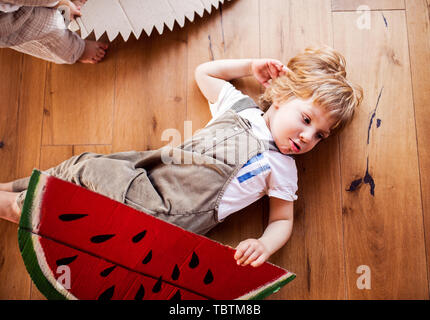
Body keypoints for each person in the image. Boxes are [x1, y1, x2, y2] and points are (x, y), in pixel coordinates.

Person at [0, 46, 363, 268]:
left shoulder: (283, 169)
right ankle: (8, 191)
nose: (307, 136)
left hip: (165, 218)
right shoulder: (240, 106)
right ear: (280, 97)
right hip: (144, 174)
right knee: (78, 166)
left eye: (320, 135)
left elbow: (283, 219)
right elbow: (205, 72)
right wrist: (251, 64)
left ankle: (12, 205)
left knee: (67, 212)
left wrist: (264, 244)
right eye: (305, 119)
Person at [0, 0, 108, 64]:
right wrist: (60, 3)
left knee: (59, 12)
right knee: (48, 25)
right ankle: (75, 49)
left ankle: (64, 7)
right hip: (6, 18)